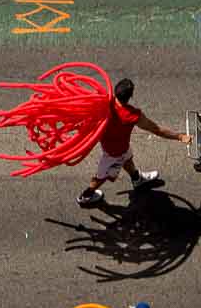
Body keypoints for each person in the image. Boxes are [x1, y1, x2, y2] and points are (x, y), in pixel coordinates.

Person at [77, 78, 185, 210]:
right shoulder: (132, 115)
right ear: (130, 96)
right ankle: (86, 196)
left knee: (127, 158)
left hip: (118, 147)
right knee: (102, 176)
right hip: (114, 153)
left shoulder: (103, 104)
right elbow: (157, 130)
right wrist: (179, 136)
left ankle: (136, 179)